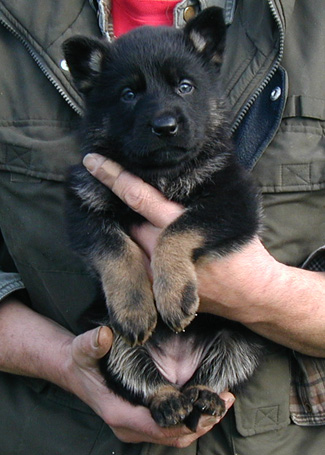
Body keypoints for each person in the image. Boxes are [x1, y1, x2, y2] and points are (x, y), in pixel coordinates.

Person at [0, 0, 324, 454]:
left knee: (239, 347)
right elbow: (91, 227)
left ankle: (207, 388)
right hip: (71, 427)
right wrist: (65, 363)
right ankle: (158, 393)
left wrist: (258, 291)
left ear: (209, 66)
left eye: (183, 85)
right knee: (113, 336)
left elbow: (232, 213)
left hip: (269, 425)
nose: (164, 115)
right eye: (131, 94)